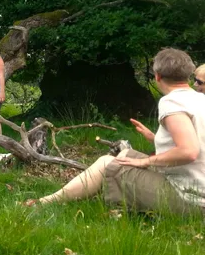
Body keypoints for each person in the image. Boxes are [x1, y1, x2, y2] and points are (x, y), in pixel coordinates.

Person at [26, 48, 205, 214]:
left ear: (157, 76)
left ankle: (46, 203)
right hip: (197, 186)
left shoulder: (172, 102)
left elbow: (189, 151)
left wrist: (146, 162)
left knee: (106, 164)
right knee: (124, 154)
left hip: (190, 197)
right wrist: (155, 138)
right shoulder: (199, 99)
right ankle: (58, 199)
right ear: (188, 75)